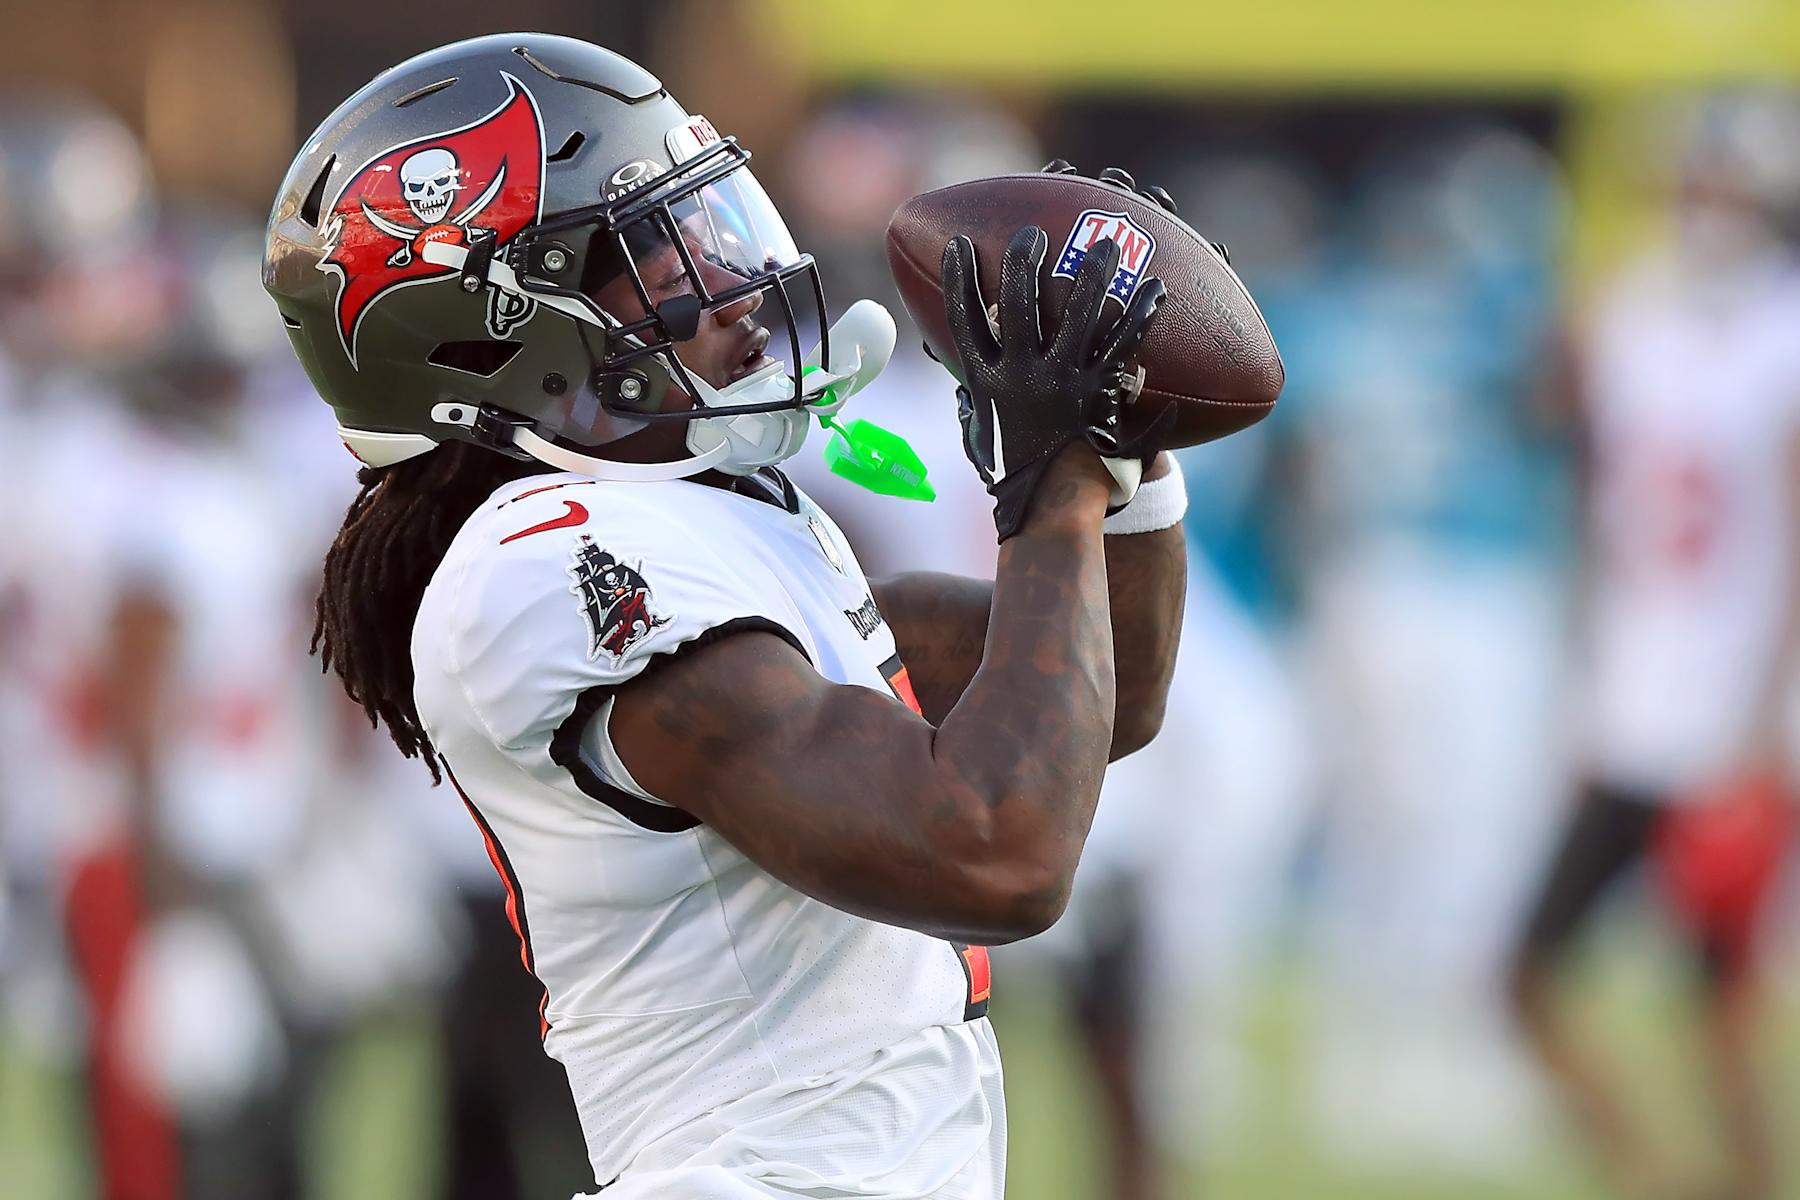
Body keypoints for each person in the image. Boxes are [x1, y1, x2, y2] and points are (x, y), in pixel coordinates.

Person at [263, 33, 1195, 1200]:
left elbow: (1114, 691)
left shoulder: (719, 511)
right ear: (499, 326)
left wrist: (1122, 449)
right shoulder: (548, 559)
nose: (729, 269)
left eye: (708, 217)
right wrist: (1050, 480)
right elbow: (994, 852)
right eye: (657, 245)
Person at [1506, 95, 1800, 1200]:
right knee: (1529, 973)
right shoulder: (1633, 312)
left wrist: (1766, 726)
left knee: (1717, 1006)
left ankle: (1749, 1183)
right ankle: (1655, 1177)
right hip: (1637, 693)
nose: (1708, 211)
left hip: (1734, 713)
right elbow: (1598, 503)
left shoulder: (1780, 330)